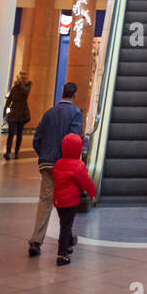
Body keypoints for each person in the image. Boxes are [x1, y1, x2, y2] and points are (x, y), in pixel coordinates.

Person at [28, 81, 83, 257]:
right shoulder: (75, 113)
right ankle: (65, 239)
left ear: (62, 93)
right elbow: (72, 140)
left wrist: (44, 154)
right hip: (64, 166)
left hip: (47, 164)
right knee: (66, 203)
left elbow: (37, 138)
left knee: (45, 202)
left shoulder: (49, 112)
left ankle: (36, 241)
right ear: (74, 95)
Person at [52, 132, 96, 267]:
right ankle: (62, 254)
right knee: (66, 226)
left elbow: (55, 177)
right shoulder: (78, 165)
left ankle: (69, 243)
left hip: (59, 201)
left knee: (64, 223)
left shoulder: (59, 164)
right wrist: (92, 193)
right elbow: (85, 182)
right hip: (70, 202)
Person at [3, 70, 31, 161]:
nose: (22, 78)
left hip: (22, 113)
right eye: (21, 77)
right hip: (13, 113)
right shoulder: (15, 87)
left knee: (19, 133)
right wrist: (5, 112)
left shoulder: (28, 85)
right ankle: (7, 152)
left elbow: (25, 92)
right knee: (11, 133)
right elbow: (9, 100)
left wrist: (20, 83)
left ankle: (16, 152)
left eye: (24, 77)